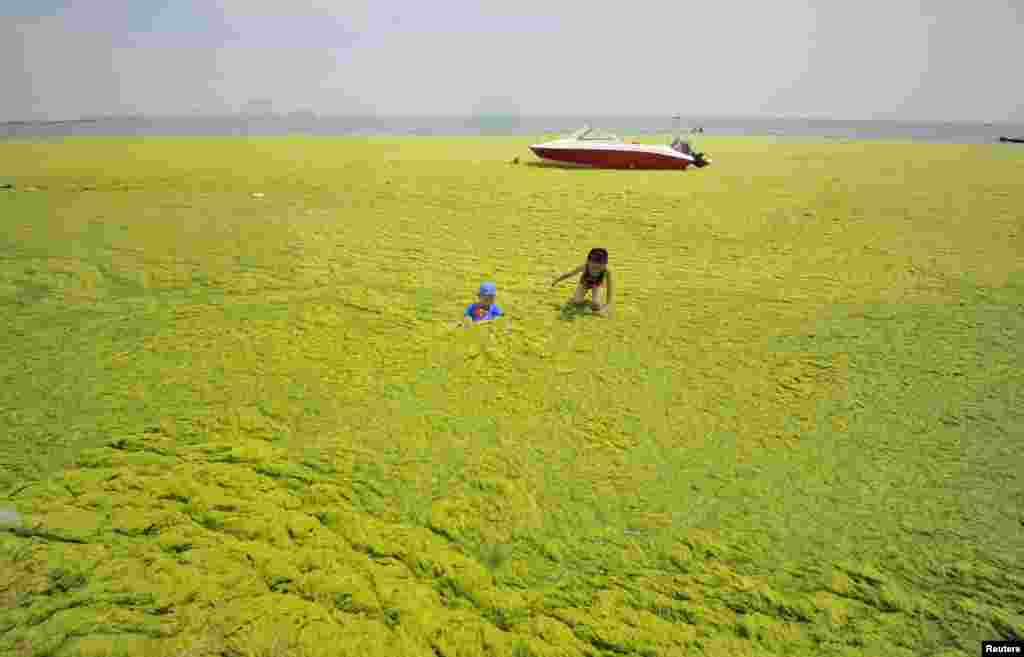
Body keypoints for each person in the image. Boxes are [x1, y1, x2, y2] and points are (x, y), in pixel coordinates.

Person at [550, 248, 613, 315]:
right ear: (588, 261)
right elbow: (570, 274)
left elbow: (609, 289)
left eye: (600, 265)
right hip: (584, 283)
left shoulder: (606, 271)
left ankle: (591, 302)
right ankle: (582, 301)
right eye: (594, 264)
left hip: (597, 285)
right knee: (577, 302)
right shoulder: (585, 267)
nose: (596, 266)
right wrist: (557, 280)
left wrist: (607, 304)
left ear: (605, 264)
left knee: (596, 305)